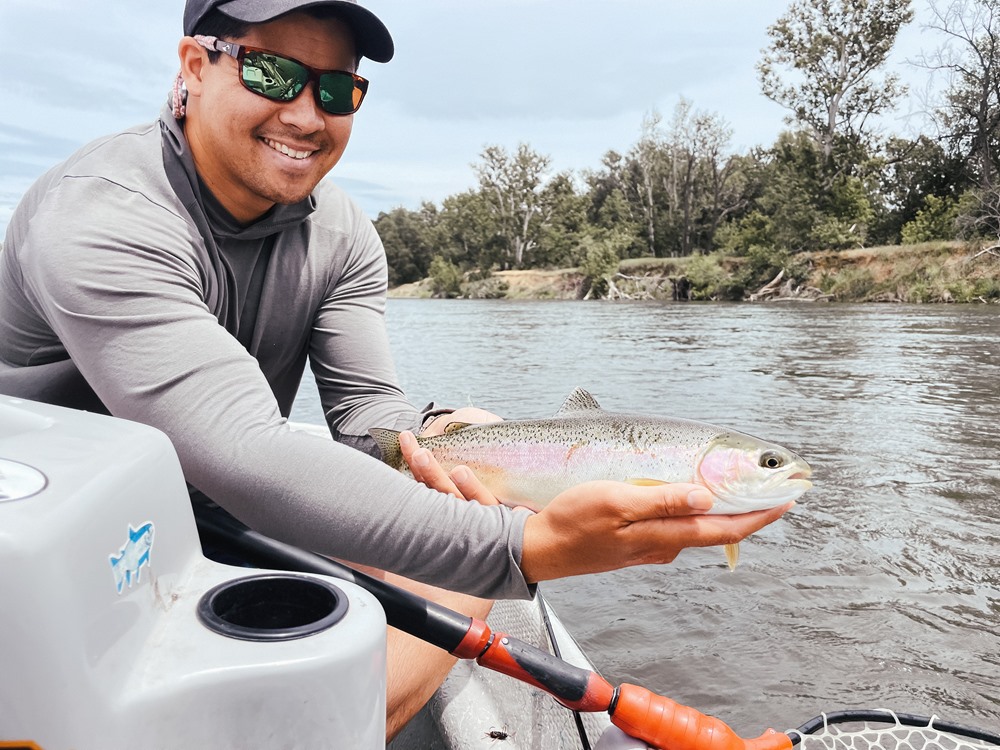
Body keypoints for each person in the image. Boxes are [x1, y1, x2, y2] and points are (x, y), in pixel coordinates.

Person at [0, 0, 791, 739]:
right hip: (54, 553)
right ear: (194, 65)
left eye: (338, 89)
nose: (307, 115)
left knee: (455, 481)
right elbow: (241, 446)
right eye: (271, 72)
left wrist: (443, 438)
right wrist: (526, 545)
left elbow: (369, 422)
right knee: (468, 552)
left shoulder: (341, 233)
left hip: (219, 514)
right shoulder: (102, 212)